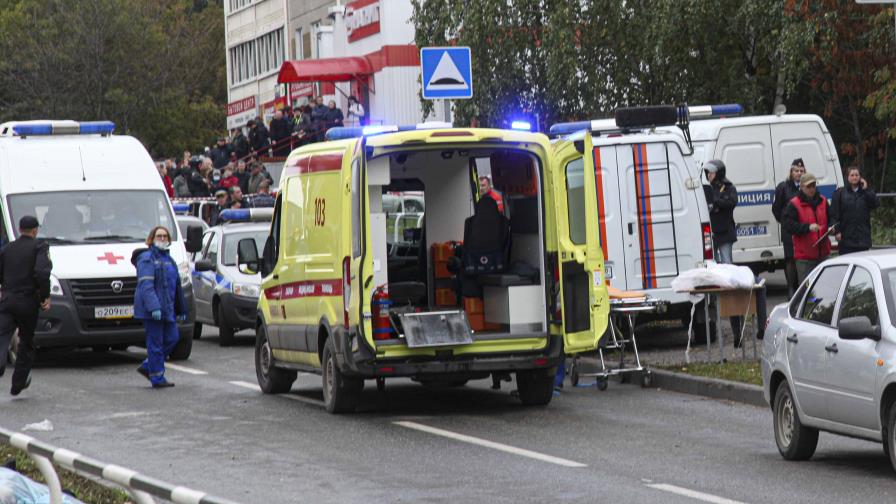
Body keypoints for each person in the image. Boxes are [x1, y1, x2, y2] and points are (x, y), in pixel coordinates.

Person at [0, 216, 52, 396]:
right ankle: (18, 383)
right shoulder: (39, 247)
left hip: (7, 299)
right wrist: (44, 296)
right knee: (26, 341)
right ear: (35, 230)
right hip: (28, 300)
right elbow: (41, 273)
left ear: (20, 229)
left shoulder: (7, 248)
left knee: (2, 334)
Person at [133, 226, 187, 388]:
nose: (162, 239)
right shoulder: (146, 258)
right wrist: (154, 307)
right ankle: (157, 377)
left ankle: (149, 366)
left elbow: (176, 286)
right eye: (159, 236)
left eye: (165, 236)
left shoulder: (169, 260)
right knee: (155, 343)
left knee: (173, 338)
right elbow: (146, 286)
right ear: (152, 238)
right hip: (153, 311)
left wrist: (181, 308)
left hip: (167, 309)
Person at [702, 160, 744, 346]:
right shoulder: (705, 188)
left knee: (727, 265)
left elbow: (730, 202)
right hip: (712, 234)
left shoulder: (728, 187)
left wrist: (716, 202)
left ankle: (731, 291)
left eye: (711, 173)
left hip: (724, 233)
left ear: (718, 173)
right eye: (707, 173)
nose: (709, 175)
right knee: (714, 268)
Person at [783, 172, 831, 283]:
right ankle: (809, 301)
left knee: (825, 287)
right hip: (805, 257)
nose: (811, 189)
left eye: (813, 186)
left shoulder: (823, 201)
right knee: (808, 291)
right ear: (802, 187)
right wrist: (807, 227)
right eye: (808, 186)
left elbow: (831, 217)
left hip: (823, 254)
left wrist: (832, 228)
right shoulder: (794, 204)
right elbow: (788, 225)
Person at [772, 158, 805, 296]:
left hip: (803, 229)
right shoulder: (783, 187)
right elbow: (776, 208)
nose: (798, 173)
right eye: (796, 171)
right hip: (789, 230)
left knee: (802, 259)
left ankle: (803, 290)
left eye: (801, 171)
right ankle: (791, 288)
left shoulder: (807, 186)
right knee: (790, 258)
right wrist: (785, 222)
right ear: (791, 172)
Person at [831, 166, 880, 255]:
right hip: (846, 239)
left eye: (857, 175)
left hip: (863, 239)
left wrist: (866, 189)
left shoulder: (865, 192)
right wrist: (837, 231)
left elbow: (875, 204)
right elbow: (834, 214)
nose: (854, 177)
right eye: (852, 175)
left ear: (860, 177)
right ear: (847, 177)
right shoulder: (840, 193)